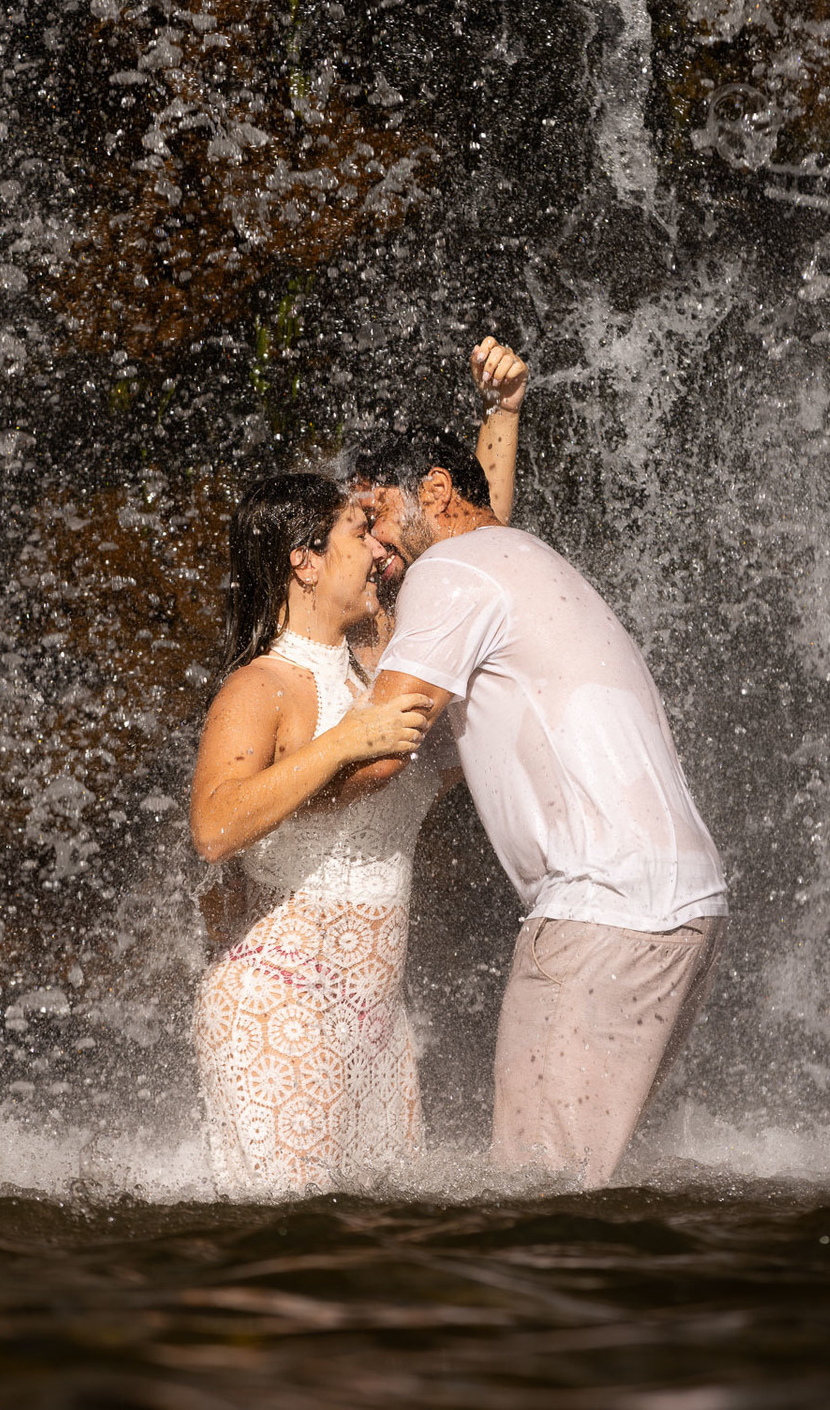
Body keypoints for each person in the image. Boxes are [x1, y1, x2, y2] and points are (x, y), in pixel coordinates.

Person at [347, 430, 729, 1190]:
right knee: (585, 1182)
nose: (371, 546)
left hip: (605, 906)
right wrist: (506, 412)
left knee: (537, 1194)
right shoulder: (525, 557)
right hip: (683, 904)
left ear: (433, 491)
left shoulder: (448, 570)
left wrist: (263, 792)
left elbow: (383, 744)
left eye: (373, 513)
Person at [189, 340, 528, 1195]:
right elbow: (213, 825)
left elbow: (476, 557)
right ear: (302, 559)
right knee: (288, 1261)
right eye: (357, 532)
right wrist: (343, 743)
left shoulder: (375, 669)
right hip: (278, 1001)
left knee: (379, 1272)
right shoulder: (265, 684)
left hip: (378, 1024)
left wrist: (506, 415)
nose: (380, 547)